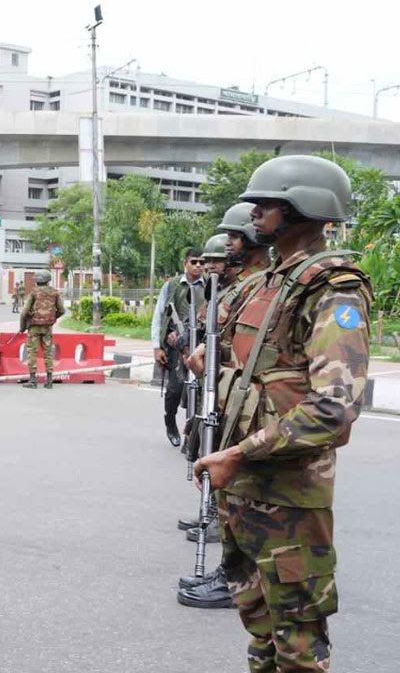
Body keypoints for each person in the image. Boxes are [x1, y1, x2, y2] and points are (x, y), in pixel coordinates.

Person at [192, 155, 369, 671]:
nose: (253, 213)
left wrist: (240, 453)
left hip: (287, 496)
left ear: (303, 207)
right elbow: (250, 369)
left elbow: (333, 409)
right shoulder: (262, 283)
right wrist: (215, 361)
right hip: (243, 487)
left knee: (297, 644)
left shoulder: (333, 288)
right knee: (261, 629)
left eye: (266, 203)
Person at [178, 203, 270, 610]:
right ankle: (233, 573)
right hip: (231, 395)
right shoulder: (249, 285)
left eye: (231, 242)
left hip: (253, 407)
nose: (217, 260)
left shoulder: (264, 284)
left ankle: (240, 578)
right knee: (233, 495)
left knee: (250, 503)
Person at [150, 248, 206, 446]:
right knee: (175, 389)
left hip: (200, 345)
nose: (198, 265)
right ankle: (170, 422)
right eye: (194, 262)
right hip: (175, 346)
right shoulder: (172, 285)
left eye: (201, 262)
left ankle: (194, 432)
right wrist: (157, 347)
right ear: (185, 264)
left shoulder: (209, 286)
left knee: (201, 392)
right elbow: (158, 316)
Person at [19, 270, 65, 389]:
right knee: (48, 353)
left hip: (34, 327)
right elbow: (62, 310)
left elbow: (24, 312)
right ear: (48, 279)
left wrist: (22, 327)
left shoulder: (34, 292)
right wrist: (52, 318)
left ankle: (33, 380)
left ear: (37, 280)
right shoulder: (55, 293)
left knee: (32, 352)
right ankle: (49, 380)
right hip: (47, 328)